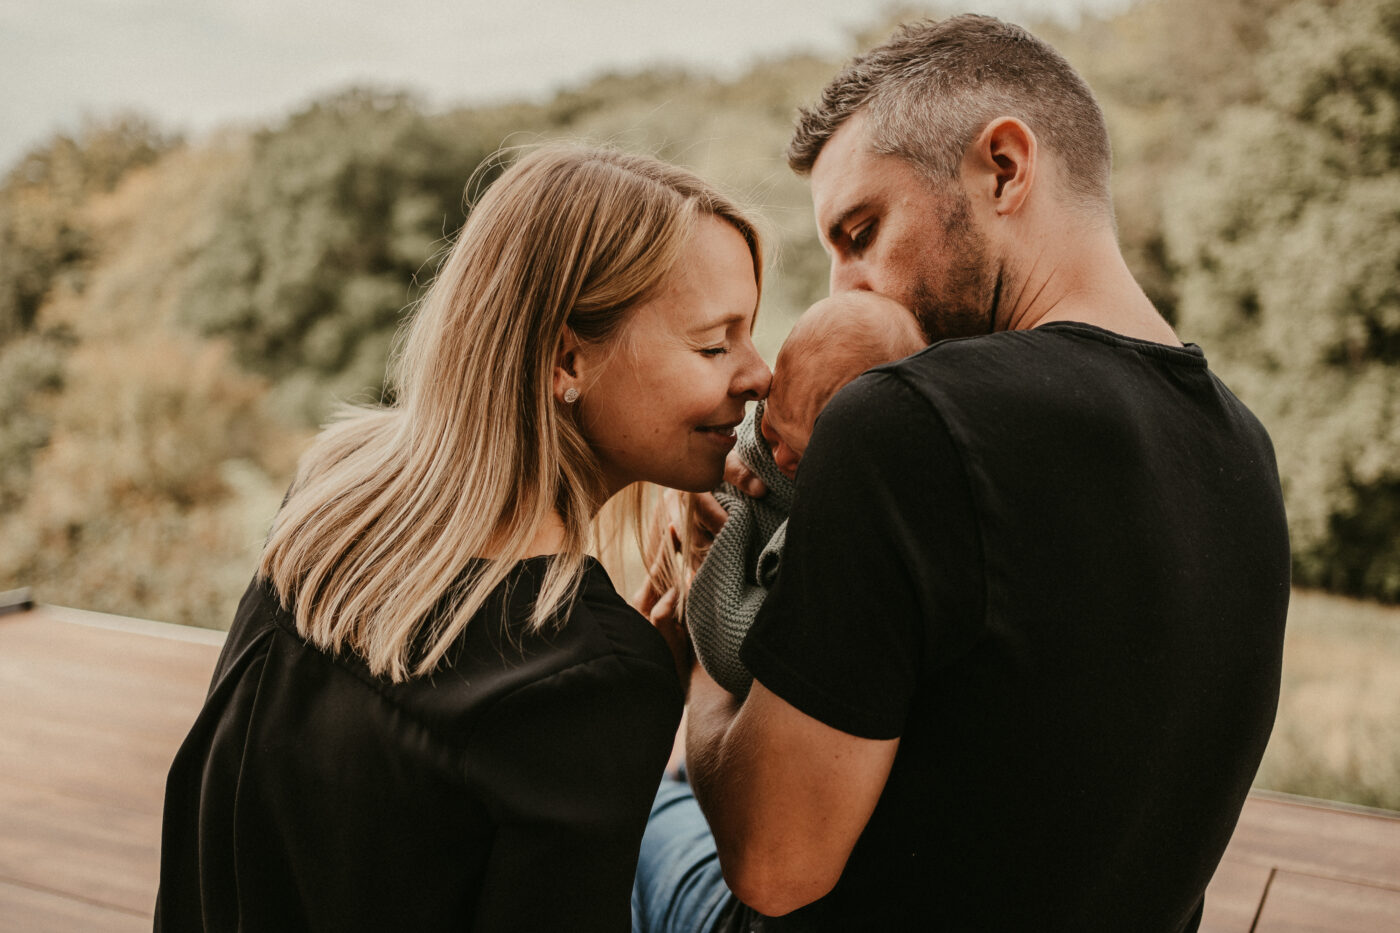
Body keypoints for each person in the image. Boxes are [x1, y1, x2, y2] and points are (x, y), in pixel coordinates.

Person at [634, 14, 1290, 933]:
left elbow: (770, 864)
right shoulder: (1245, 444)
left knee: (646, 816)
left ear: (1006, 168)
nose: (844, 292)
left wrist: (702, 679)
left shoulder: (907, 418)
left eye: (861, 233)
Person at [155, 145, 771, 932]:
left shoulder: (334, 497)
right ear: (564, 357)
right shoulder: (589, 677)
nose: (760, 375)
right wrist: (671, 673)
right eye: (716, 344)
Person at [686, 290, 923, 697]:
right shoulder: (753, 449)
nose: (778, 459)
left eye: (800, 453)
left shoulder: (868, 511)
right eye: (771, 434)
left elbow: (740, 661)